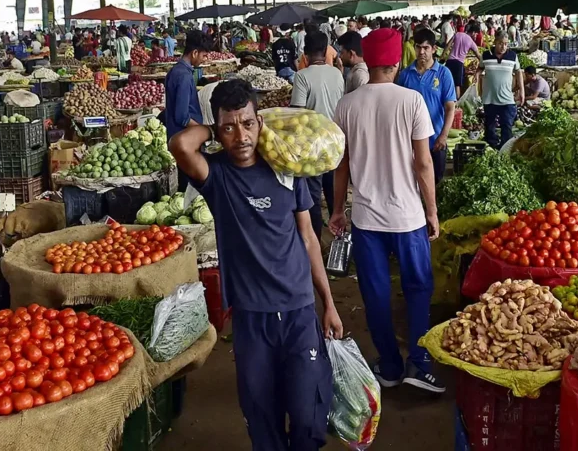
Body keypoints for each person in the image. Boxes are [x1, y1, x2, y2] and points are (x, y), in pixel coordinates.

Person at [169, 79, 342, 451]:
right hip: (251, 316)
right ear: (217, 131)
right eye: (229, 128)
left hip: (298, 309)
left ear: (260, 122)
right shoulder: (216, 176)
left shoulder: (284, 167)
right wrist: (209, 126)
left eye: (248, 123)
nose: (241, 136)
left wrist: (327, 302)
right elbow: (181, 144)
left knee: (309, 411)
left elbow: (309, 237)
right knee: (261, 416)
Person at [329, 27, 444, 394]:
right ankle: (420, 363)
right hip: (407, 216)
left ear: (366, 59)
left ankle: (390, 366)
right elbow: (423, 164)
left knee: (375, 294)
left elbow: (341, 165)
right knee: (418, 287)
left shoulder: (347, 105)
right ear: (396, 62)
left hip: (366, 219)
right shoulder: (411, 101)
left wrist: (337, 209)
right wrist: (432, 210)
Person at [291, 31, 345, 238]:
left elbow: (298, 112)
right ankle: (339, 231)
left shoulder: (302, 76)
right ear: (325, 51)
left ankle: (314, 238)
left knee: (312, 193)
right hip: (334, 141)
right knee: (333, 190)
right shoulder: (337, 74)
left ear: (305, 52)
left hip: (311, 144)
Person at [397, 28, 456, 186]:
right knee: (411, 184)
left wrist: (443, 135)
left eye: (426, 48)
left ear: (434, 49)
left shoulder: (444, 74)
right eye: (418, 47)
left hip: (436, 141)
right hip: (410, 142)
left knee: (435, 184)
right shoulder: (405, 75)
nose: (421, 52)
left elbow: (450, 107)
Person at [165, 30, 211, 190]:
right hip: (185, 139)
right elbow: (182, 117)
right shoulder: (184, 76)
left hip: (177, 138)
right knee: (189, 186)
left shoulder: (175, 71)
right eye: (204, 56)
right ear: (195, 52)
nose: (205, 60)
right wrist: (206, 131)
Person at [479, 32, 523, 150]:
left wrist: (522, 91)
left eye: (505, 44)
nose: (503, 47)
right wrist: (477, 77)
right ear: (494, 43)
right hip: (489, 98)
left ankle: (505, 150)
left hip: (507, 99)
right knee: (489, 127)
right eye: (500, 43)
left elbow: (518, 72)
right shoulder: (486, 55)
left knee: (507, 127)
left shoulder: (512, 56)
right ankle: (491, 149)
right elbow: (480, 68)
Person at [445, 25, 480, 98]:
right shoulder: (471, 42)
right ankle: (457, 104)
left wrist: (442, 56)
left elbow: (448, 45)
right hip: (459, 64)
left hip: (449, 61)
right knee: (457, 85)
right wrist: (485, 63)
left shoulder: (457, 34)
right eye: (476, 34)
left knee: (447, 83)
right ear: (473, 32)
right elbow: (478, 55)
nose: (476, 36)